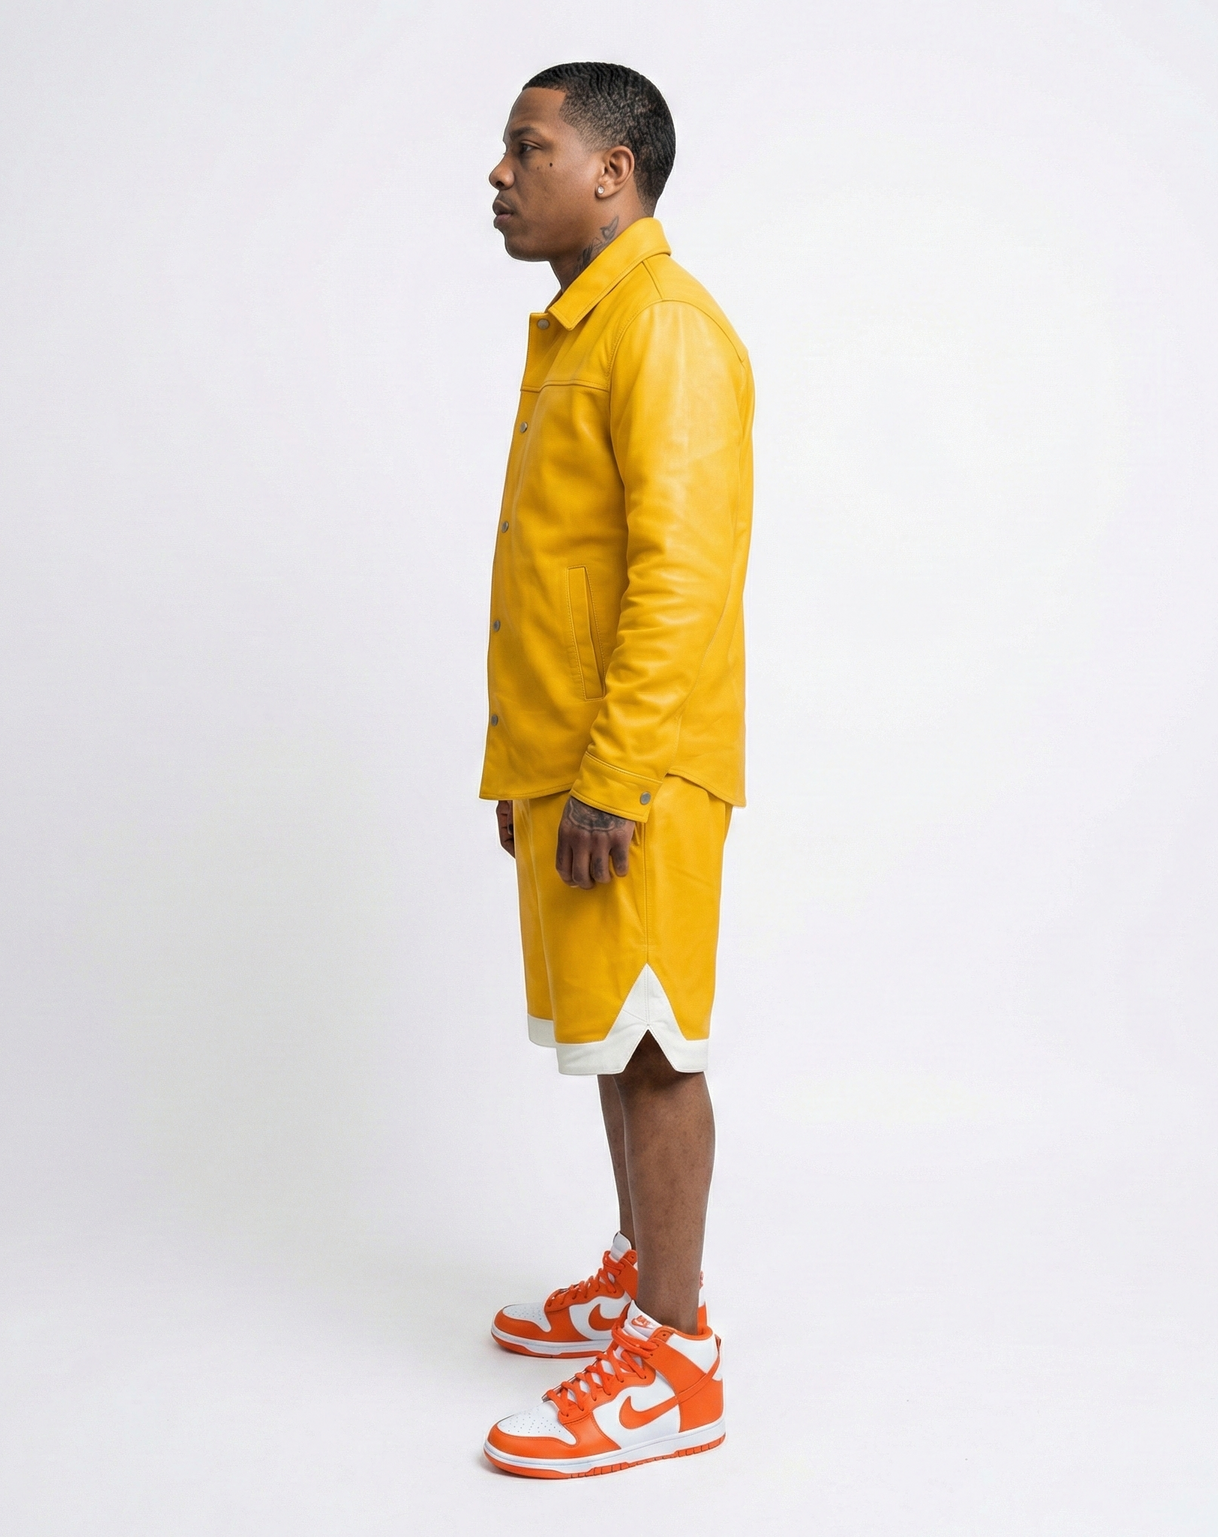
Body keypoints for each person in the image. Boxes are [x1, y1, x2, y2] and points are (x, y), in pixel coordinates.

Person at [479, 62, 755, 1478]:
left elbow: (682, 578)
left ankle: (676, 1352)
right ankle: (641, 1275)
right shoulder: (585, 328)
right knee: (609, 1032)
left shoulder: (665, 328)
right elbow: (560, 575)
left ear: (612, 171)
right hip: (578, 767)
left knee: (651, 1046)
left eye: (527, 146)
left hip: (634, 772)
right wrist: (529, 774)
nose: (499, 173)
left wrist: (611, 775)